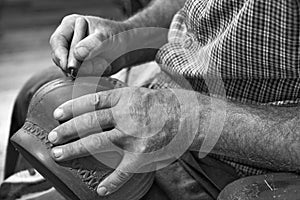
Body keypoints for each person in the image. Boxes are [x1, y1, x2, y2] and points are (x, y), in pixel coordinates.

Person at [4, 0, 300, 199]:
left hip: (241, 165)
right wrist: (129, 36)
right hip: (170, 90)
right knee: (37, 90)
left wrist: (184, 119)